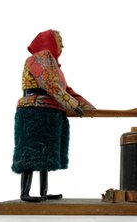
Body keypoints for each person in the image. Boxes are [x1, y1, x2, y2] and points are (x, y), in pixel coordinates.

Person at [11, 29, 95, 202]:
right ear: (49, 41)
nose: (62, 45)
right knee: (31, 151)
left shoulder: (53, 65)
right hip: (34, 112)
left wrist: (87, 106)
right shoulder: (38, 58)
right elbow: (50, 85)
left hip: (50, 112)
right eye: (59, 41)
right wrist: (72, 104)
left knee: (46, 153)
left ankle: (43, 192)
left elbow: (66, 89)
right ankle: (24, 193)